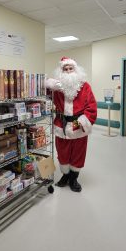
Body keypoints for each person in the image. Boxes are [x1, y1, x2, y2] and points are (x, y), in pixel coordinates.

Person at [46, 57, 97, 192]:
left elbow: (91, 107)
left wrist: (80, 122)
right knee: (62, 152)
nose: (68, 71)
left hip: (77, 123)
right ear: (61, 71)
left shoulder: (85, 86)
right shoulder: (57, 88)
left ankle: (74, 178)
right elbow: (43, 92)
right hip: (61, 124)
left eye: (71, 68)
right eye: (65, 69)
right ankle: (65, 175)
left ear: (76, 70)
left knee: (78, 152)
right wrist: (48, 84)